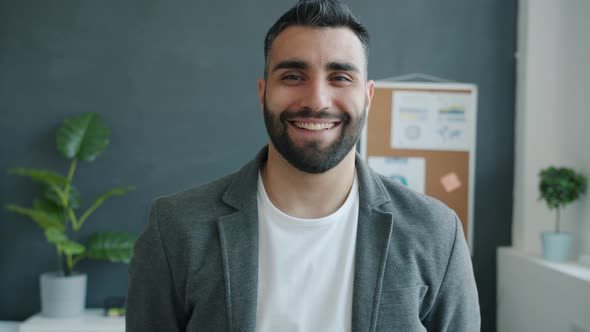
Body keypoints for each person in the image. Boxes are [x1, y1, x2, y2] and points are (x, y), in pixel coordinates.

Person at [126, 0, 481, 331]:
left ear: (368, 96)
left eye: (340, 77)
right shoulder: (175, 228)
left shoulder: (435, 233)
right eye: (294, 76)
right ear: (263, 92)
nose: (316, 100)